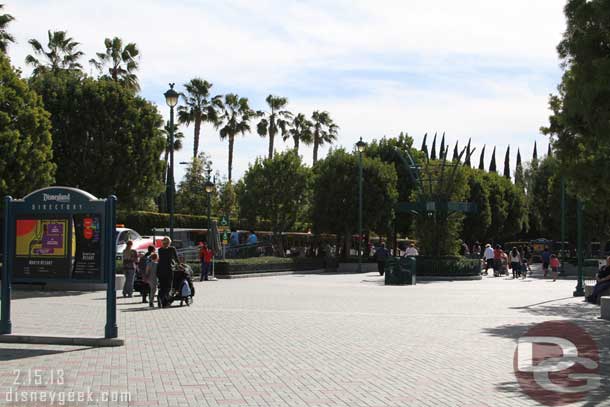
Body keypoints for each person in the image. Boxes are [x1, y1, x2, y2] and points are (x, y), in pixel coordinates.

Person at [157, 237, 178, 308]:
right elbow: (176, 258)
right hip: (169, 270)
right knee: (168, 287)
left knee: (162, 286)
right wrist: (179, 265)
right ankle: (164, 302)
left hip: (160, 270)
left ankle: (159, 298)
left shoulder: (160, 250)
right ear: (169, 242)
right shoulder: (172, 249)